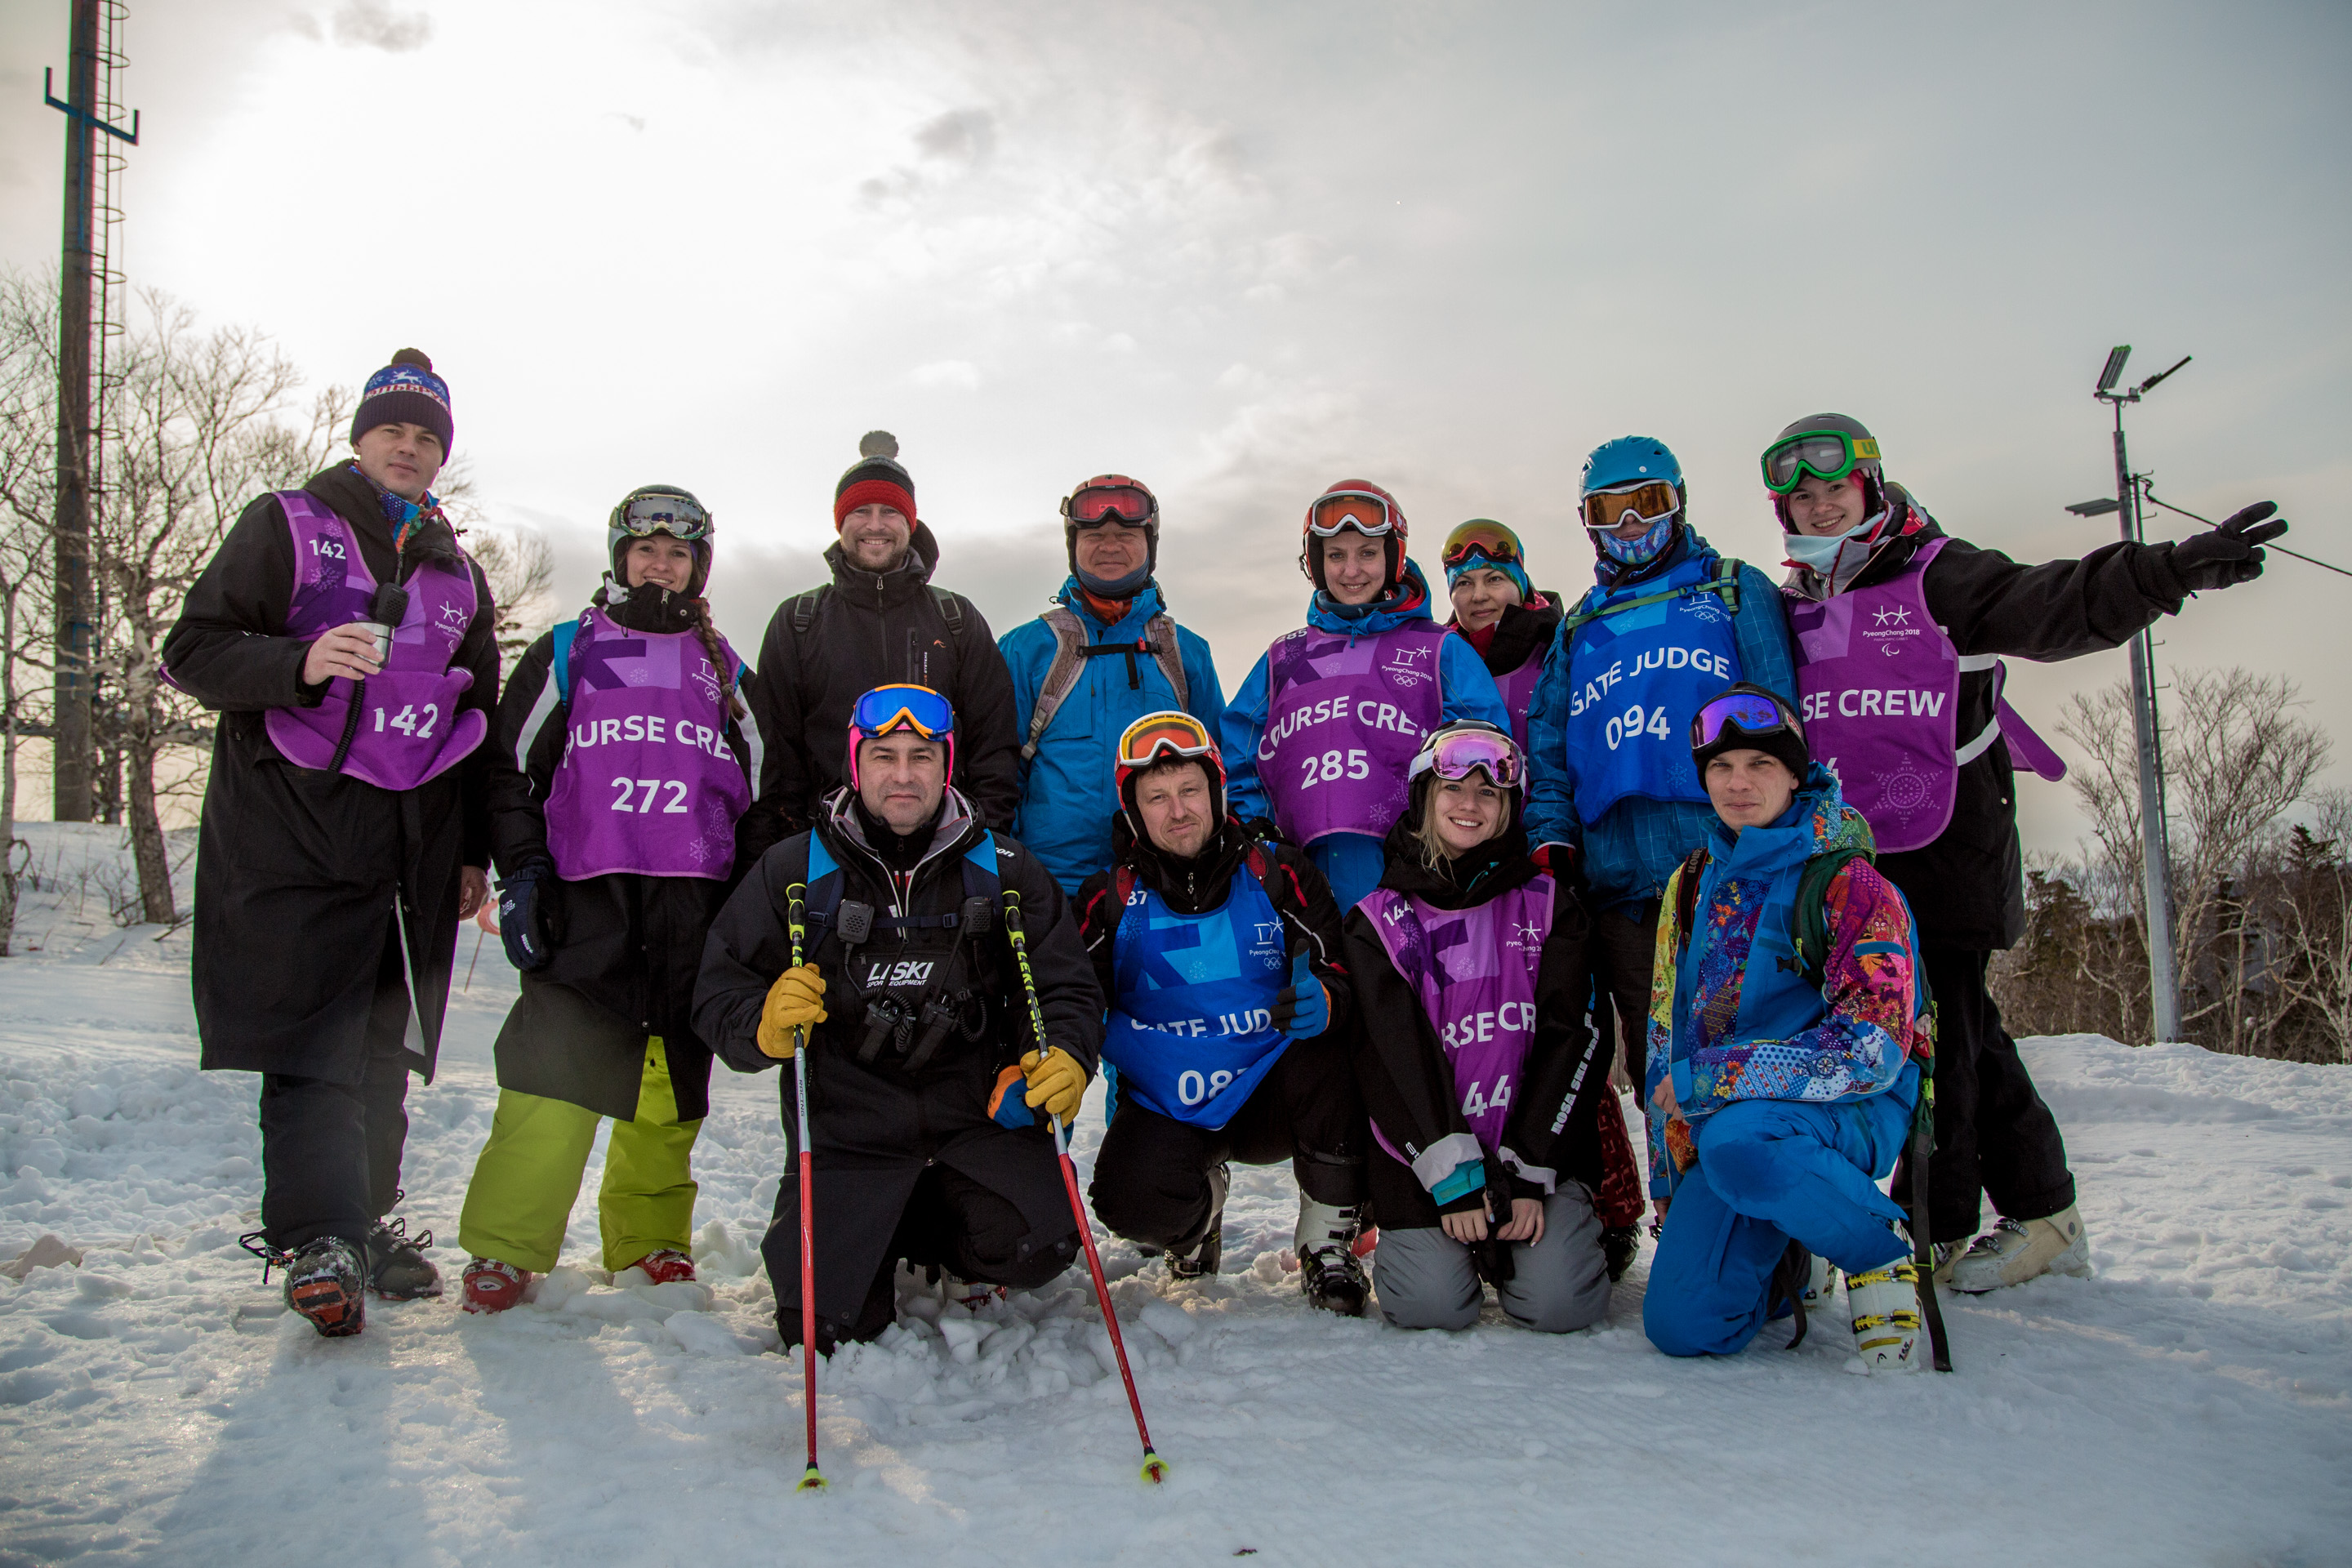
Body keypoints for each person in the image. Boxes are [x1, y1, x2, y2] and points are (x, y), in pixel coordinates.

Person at [1764, 412, 2291, 1292]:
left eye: (1834, 489)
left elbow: (2052, 602)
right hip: (1854, 857)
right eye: (1800, 497)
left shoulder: (1939, 571)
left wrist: (2161, 573)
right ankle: (2048, 1215)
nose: (1818, 508)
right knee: (1969, 1032)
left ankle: (1932, 1226)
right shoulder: (1799, 601)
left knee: (1940, 1035)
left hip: (1947, 843)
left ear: (1872, 485)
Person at [159, 349, 497, 1336]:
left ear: (441, 459)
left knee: (384, 1047)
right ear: (360, 438)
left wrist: (473, 848)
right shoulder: (288, 524)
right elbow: (194, 649)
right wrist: (300, 659)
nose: (408, 445)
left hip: (413, 839)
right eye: (393, 428)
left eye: (427, 436)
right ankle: (319, 1235)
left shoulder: (458, 573)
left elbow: (473, 712)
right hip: (294, 828)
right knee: (308, 1039)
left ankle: (366, 1219)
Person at [693, 684, 1104, 1350]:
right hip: (847, 1138)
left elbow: (1065, 987)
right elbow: (719, 990)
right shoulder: (795, 869)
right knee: (822, 1329)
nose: (905, 774)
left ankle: (941, 1239)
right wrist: (761, 1026)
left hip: (973, 1125)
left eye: (922, 756)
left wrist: (1065, 1053)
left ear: (948, 765)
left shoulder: (1002, 868)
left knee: (1041, 1242)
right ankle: (870, 1236)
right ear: (856, 765)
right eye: (884, 756)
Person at [454, 485, 763, 1312]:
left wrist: (751, 904)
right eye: (646, 550)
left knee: (665, 1089)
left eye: (678, 553)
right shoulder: (568, 650)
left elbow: (766, 792)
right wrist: (521, 867)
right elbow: (507, 769)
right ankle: (506, 1248)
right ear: (620, 555)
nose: (660, 564)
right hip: (586, 899)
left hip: (689, 907)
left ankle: (650, 1240)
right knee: (551, 1078)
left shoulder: (724, 668)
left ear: (698, 566)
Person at [1641, 685, 1933, 1372]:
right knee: (1684, 1325)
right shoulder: (1689, 881)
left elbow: (1875, 1047)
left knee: (1746, 1142)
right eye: (1721, 768)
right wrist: (1667, 1169)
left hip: (1849, 1107)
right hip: (1724, 1126)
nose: (1738, 783)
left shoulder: (1849, 881)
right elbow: (1666, 1031)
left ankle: (1876, 1250)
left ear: (1796, 774)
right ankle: (1793, 1247)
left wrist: (1713, 1081)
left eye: (1759, 765)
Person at [1523, 438, 1796, 1103]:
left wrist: (1787, 837)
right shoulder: (1582, 623)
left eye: (1647, 502)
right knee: (1661, 1069)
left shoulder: (1732, 588)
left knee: (1739, 1052)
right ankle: (1678, 1206)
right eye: (1608, 510)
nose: (1630, 525)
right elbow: (1550, 743)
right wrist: (1551, 834)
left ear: (1678, 504)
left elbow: (1782, 719)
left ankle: (1754, 1197)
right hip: (1623, 887)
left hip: (1725, 868)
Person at [1076, 712, 1370, 1313]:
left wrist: (1331, 1000)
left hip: (1275, 1094)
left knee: (1342, 1056)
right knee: (1128, 1203)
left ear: (1216, 791)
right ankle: (1195, 1218)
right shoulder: (1109, 898)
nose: (1178, 810)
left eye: (1190, 791)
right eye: (1156, 797)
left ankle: (1326, 1240)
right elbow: (1074, 999)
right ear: (1134, 810)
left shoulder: (1275, 872)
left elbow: (1341, 968)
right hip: (1173, 1101)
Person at [1344, 721, 1619, 1333]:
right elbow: (1389, 1057)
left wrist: (1529, 1167)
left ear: (1508, 808)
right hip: (1428, 1158)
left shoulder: (1551, 905)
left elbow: (1574, 1036)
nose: (1469, 805)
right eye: (1453, 788)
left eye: (1488, 793)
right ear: (1423, 797)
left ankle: (1557, 1238)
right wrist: (1453, 1172)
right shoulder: (1378, 921)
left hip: (1532, 1157)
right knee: (1431, 1307)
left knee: (1559, 1306)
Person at [1222, 480, 1511, 914]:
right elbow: (1237, 753)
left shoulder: (1439, 649)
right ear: (1316, 565)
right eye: (1336, 555)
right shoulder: (1285, 657)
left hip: (1415, 878)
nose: (1352, 570)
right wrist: (1263, 833)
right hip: (1300, 883)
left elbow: (1489, 752)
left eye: (1368, 553)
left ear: (1393, 558)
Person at [745, 432, 1020, 840]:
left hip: (944, 847)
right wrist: (794, 849)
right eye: (860, 511)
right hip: (827, 850)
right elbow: (777, 755)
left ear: (910, 522)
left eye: (890, 511)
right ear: (840, 522)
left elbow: (993, 743)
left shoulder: (955, 618)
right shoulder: (798, 621)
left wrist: (980, 835)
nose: (875, 525)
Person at [1001, 475, 1225, 892]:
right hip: (1051, 888)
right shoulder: (1026, 650)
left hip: (1164, 888)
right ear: (1073, 545)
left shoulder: (1185, 653)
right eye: (1094, 534)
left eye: (1125, 533)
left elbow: (1218, 771)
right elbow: (998, 772)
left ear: (1150, 545)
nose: (1110, 545)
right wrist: (1006, 872)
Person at [1439, 519, 1560, 750]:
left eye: (1494, 579)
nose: (1479, 596)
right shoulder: (1436, 661)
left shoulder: (1560, 650)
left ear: (1520, 585)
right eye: (1464, 583)